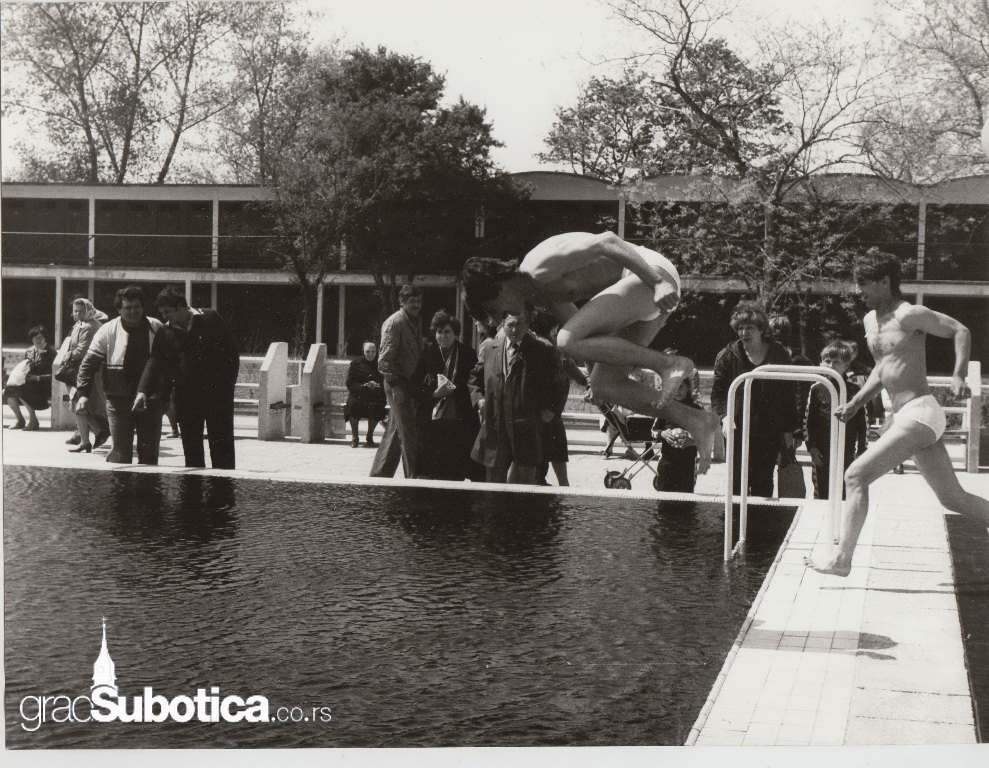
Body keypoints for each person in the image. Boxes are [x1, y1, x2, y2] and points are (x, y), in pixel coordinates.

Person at [462, 231, 722, 472]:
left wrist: (656, 282)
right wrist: (591, 379)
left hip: (650, 274)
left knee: (565, 340)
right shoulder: (539, 294)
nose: (503, 317)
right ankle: (697, 420)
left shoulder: (537, 265)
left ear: (499, 286)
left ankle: (669, 364)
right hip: (641, 291)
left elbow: (607, 241)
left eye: (495, 310)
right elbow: (585, 335)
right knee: (605, 385)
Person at [806, 252, 989, 576]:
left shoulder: (909, 314)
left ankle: (842, 560)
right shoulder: (870, 321)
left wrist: (958, 375)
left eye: (864, 284)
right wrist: (856, 402)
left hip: (921, 411)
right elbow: (883, 368)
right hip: (906, 415)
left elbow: (960, 330)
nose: (859, 291)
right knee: (952, 498)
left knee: (856, 475)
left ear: (884, 282)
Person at [133, 287, 239, 469]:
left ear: (180, 306)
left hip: (218, 396)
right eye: (162, 313)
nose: (164, 317)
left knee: (222, 446)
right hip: (186, 398)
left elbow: (231, 352)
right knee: (192, 449)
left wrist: (228, 384)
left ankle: (224, 486)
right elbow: (154, 361)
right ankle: (193, 487)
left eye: (168, 312)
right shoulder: (165, 332)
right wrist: (142, 391)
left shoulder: (210, 318)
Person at [711, 301, 800, 497]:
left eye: (749, 328)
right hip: (737, 428)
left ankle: (760, 518)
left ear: (761, 329)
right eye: (740, 328)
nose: (744, 333)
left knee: (763, 482)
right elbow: (718, 394)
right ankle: (735, 517)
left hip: (769, 430)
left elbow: (788, 393)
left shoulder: (778, 353)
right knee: (736, 482)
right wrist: (725, 417)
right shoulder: (727, 356)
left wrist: (790, 430)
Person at [468, 309, 560, 484]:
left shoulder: (541, 349)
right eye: (510, 324)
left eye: (519, 324)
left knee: (524, 488)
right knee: (494, 486)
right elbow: (474, 378)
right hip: (496, 426)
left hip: (526, 426)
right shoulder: (491, 348)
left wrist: (551, 409)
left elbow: (559, 381)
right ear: (503, 324)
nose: (515, 329)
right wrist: (479, 400)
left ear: (527, 325)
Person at [76, 286, 164, 465]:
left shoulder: (156, 327)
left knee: (149, 455)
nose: (133, 311)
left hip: (150, 400)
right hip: (118, 400)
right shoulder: (108, 330)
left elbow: (166, 363)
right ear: (119, 310)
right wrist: (83, 394)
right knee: (120, 453)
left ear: (143, 307)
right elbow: (88, 364)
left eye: (137, 307)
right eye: (128, 308)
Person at [415, 311, 482, 481]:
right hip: (433, 420)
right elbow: (413, 386)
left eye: (447, 332)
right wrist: (434, 394)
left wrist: (454, 391)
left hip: (460, 417)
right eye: (439, 332)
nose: (443, 336)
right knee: (435, 468)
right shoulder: (427, 354)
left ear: (455, 333)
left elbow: (474, 383)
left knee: (457, 467)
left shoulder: (468, 354)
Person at [370, 285, 424, 479]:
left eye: (419, 301)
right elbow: (384, 361)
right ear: (403, 302)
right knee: (409, 433)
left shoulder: (416, 321)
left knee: (395, 431)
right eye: (412, 302)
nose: (416, 305)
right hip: (397, 383)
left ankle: (379, 475)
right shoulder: (395, 323)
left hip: (410, 384)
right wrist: (395, 387)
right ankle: (412, 478)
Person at [530, 308, 588, 486]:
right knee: (555, 450)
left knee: (541, 453)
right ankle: (562, 486)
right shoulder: (552, 348)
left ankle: (545, 484)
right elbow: (567, 377)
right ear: (554, 328)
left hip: (540, 409)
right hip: (550, 411)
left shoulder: (535, 346)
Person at [805, 340, 868, 499]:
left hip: (847, 452)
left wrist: (861, 451)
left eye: (836, 362)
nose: (831, 365)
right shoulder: (817, 389)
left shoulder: (855, 390)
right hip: (822, 453)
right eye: (827, 361)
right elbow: (808, 421)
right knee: (822, 494)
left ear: (846, 365)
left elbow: (863, 424)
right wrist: (811, 447)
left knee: (845, 492)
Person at [64, 298, 111, 453]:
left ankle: (94, 435)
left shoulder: (90, 326)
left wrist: (69, 355)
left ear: (88, 311)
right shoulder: (81, 325)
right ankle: (93, 435)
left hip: (87, 371)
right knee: (82, 406)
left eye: (81, 311)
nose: (77, 314)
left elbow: (83, 350)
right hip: (80, 370)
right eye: (75, 311)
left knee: (81, 404)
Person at [654, 376, 702, 493]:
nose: (677, 391)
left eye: (681, 387)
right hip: (668, 460)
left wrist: (692, 440)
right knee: (664, 495)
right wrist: (663, 434)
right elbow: (653, 431)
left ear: (688, 388)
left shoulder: (696, 409)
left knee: (685, 496)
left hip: (687, 462)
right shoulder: (664, 408)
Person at [4, 325, 55, 431]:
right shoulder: (29, 351)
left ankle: (33, 420)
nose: (38, 341)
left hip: (44, 385)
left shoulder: (51, 353)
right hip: (30, 383)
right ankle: (20, 420)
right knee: (9, 390)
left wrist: (38, 378)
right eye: (35, 338)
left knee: (22, 389)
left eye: (40, 338)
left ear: (45, 338)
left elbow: (54, 375)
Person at [344, 342, 387, 448]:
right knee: (353, 404)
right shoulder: (355, 364)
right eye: (368, 351)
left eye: (373, 352)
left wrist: (377, 385)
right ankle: (355, 437)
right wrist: (362, 386)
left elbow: (385, 382)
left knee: (377, 406)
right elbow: (349, 382)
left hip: (375, 395)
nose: (370, 354)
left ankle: (370, 436)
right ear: (363, 351)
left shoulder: (380, 364)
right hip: (359, 394)